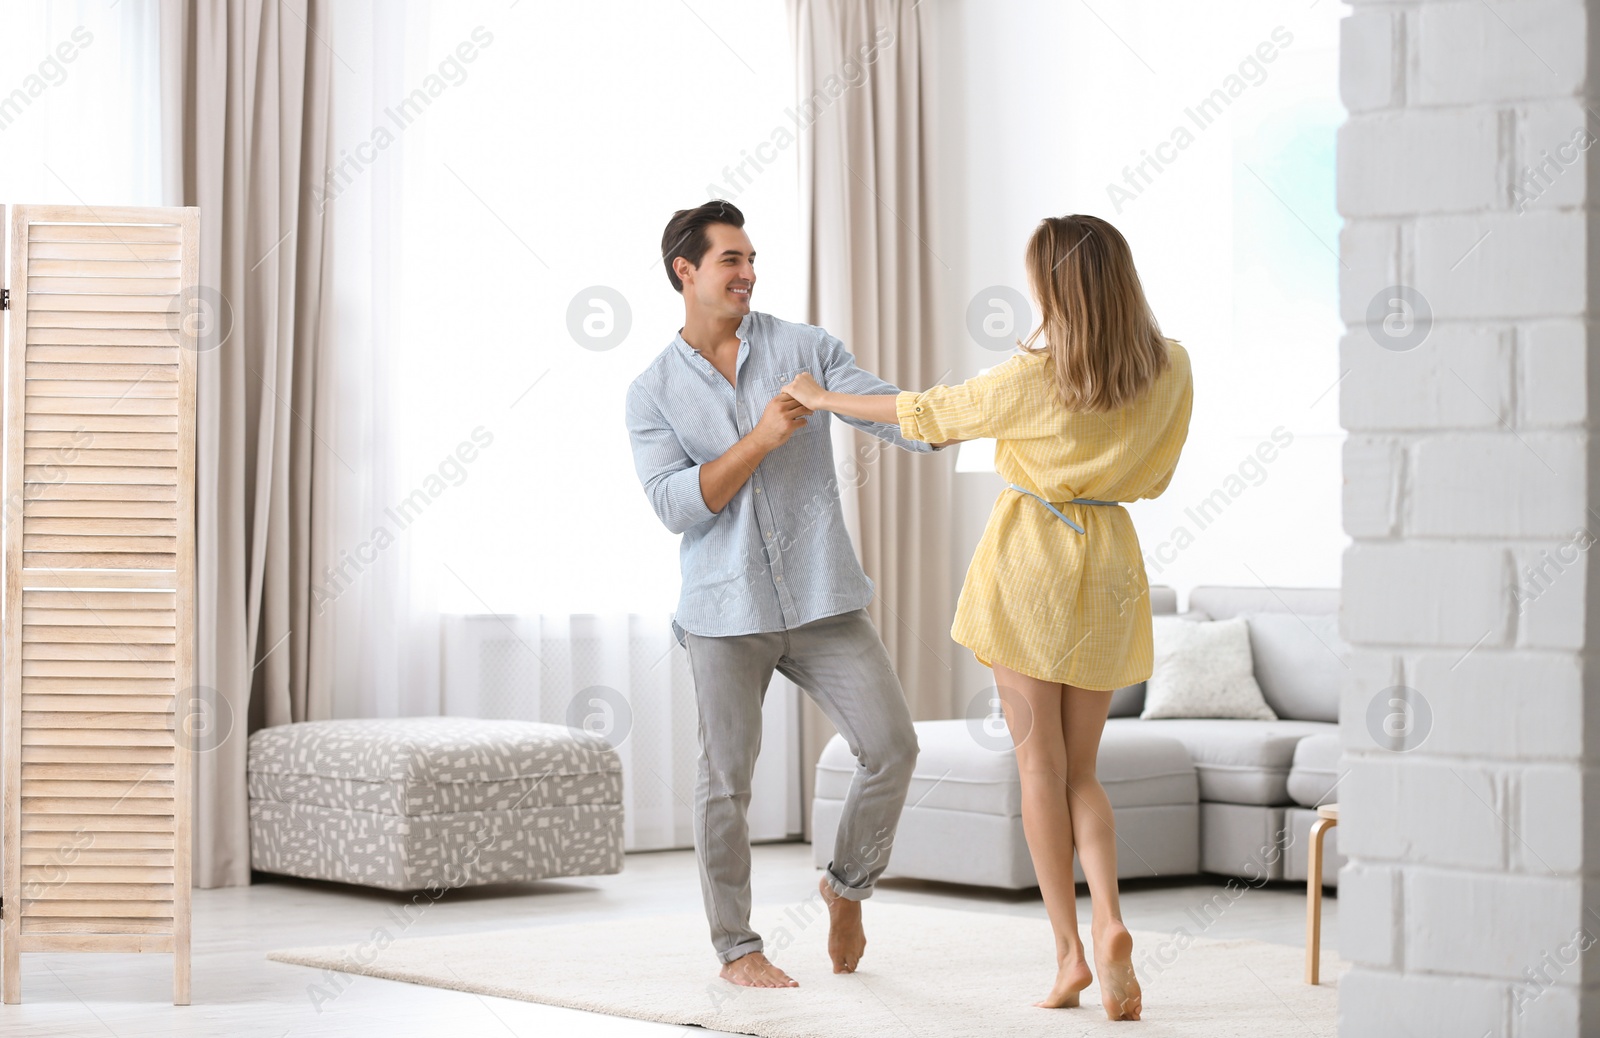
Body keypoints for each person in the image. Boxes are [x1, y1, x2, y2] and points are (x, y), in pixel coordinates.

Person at [781, 213, 1193, 1021]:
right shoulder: (1171, 367)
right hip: (1110, 557)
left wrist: (822, 394)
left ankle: (1071, 951)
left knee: (1037, 768)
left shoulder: (1028, 377)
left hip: (1031, 561)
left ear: (1052, 285)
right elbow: (1159, 474)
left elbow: (926, 414)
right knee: (1084, 771)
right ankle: (1112, 919)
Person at [625, 200, 954, 989]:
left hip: (823, 599)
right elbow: (676, 505)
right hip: (722, 613)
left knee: (893, 747)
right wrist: (763, 438)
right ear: (686, 272)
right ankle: (738, 949)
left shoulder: (806, 349)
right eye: (731, 260)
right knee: (725, 783)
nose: (748, 273)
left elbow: (905, 422)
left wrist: (958, 414)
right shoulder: (652, 392)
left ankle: (845, 888)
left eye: (750, 259)